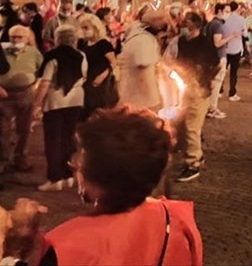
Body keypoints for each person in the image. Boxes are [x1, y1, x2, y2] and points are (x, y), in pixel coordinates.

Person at [0, 107, 203, 265]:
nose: (73, 163)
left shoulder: (70, 247)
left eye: (80, 157)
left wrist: (15, 248)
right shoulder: (177, 220)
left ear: (100, 179)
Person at [32, 25, 87, 192]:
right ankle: (68, 175)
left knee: (53, 140)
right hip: (76, 99)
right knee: (68, 138)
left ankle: (55, 178)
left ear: (57, 39)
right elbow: (84, 76)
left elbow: (45, 82)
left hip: (55, 101)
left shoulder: (52, 56)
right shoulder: (81, 55)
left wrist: (37, 104)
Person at [169, 12, 220, 183]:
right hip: (184, 88)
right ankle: (195, 156)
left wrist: (207, 79)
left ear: (196, 24)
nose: (183, 23)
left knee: (192, 127)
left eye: (187, 21)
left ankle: (193, 164)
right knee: (185, 126)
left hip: (199, 89)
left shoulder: (204, 43)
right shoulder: (183, 41)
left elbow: (217, 64)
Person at [0, 26, 43, 173]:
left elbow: (42, 71)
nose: (16, 40)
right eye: (13, 37)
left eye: (20, 37)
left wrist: (35, 87)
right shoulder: (2, 51)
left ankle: (20, 159)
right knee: (3, 130)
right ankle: (2, 161)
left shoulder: (33, 53)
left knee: (23, 129)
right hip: (4, 95)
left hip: (26, 93)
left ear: (27, 38)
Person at [118, 10, 166, 110]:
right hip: (139, 100)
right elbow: (144, 73)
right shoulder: (143, 41)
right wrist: (154, 100)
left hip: (135, 98)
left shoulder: (142, 37)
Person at [77, 14, 118, 119]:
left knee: (96, 109)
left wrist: (102, 76)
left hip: (99, 81)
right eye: (82, 28)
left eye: (86, 28)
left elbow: (113, 62)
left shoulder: (103, 44)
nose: (83, 31)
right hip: (87, 79)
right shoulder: (84, 44)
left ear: (95, 28)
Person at [219, 2, 246, 102]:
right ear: (237, 8)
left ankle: (220, 90)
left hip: (225, 47)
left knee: (222, 71)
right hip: (236, 47)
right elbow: (245, 33)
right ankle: (232, 93)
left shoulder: (224, 19)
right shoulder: (241, 19)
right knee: (234, 72)